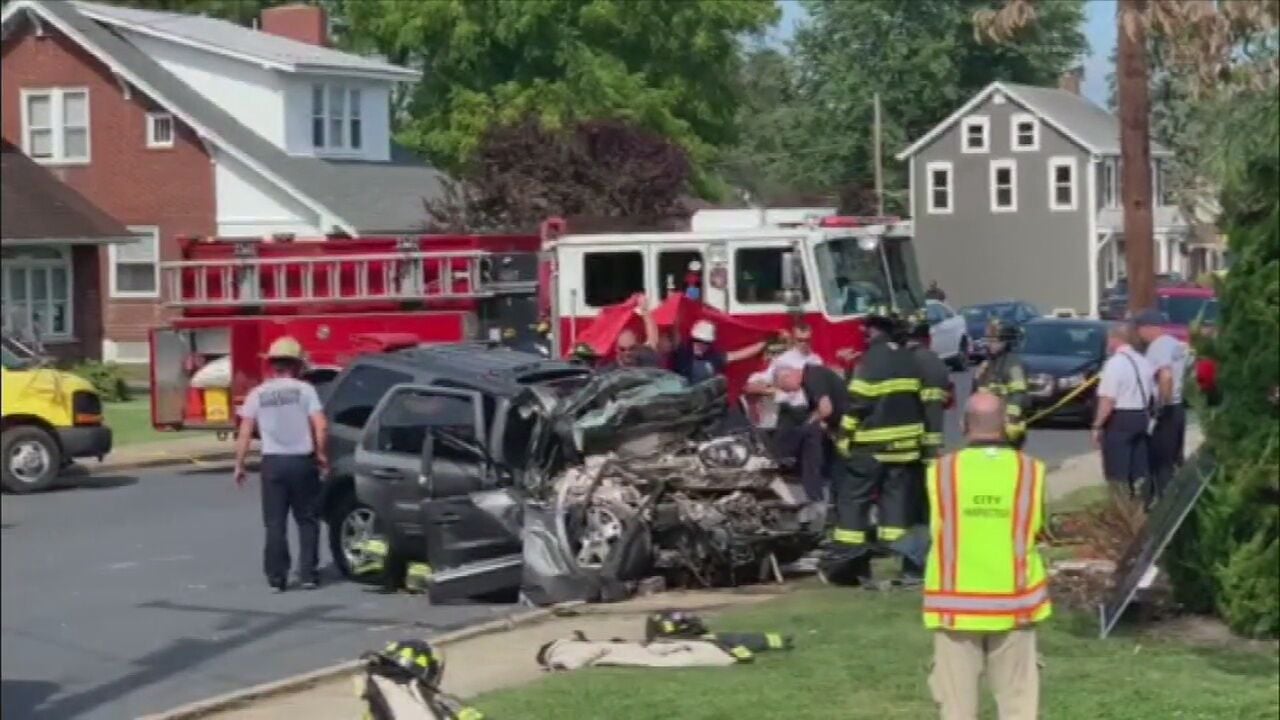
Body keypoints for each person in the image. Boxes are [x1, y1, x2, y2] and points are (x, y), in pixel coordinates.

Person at [925, 391, 1051, 720]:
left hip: (955, 606)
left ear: (964, 424)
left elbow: (936, 526)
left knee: (956, 708)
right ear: (1005, 425)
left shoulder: (940, 472)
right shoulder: (1031, 472)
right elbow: (1037, 527)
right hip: (1015, 605)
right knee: (1018, 704)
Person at [822, 307, 925, 586]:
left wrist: (844, 434)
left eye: (868, 328)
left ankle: (850, 566)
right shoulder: (910, 359)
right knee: (897, 509)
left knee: (853, 503)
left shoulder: (870, 361)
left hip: (870, 448)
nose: (864, 333)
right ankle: (908, 567)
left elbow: (859, 402)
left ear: (875, 330)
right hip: (904, 449)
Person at [233, 336, 329, 592]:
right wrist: (321, 454)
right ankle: (308, 574)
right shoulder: (305, 390)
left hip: (273, 463)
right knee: (307, 520)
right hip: (301, 461)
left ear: (272, 365)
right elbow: (321, 425)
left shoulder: (258, 394)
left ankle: (277, 577)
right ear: (297, 365)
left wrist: (239, 464)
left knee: (275, 523)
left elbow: (244, 431)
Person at [902, 312, 951, 580]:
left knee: (919, 508)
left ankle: (917, 563)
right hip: (925, 448)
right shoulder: (932, 362)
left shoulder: (913, 362)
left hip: (918, 450)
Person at [1092, 322, 1157, 500]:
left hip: (1120, 419)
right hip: (1141, 416)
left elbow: (1108, 400)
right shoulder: (1143, 362)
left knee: (1117, 470)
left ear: (1114, 340)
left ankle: (1121, 509)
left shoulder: (1114, 364)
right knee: (1138, 469)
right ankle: (1140, 504)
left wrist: (1097, 425)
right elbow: (1154, 394)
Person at [773, 356, 850, 505]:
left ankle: (783, 457)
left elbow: (826, 409)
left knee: (807, 432)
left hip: (847, 424)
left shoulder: (813, 376)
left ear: (790, 375)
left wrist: (810, 424)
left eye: (785, 387)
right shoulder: (809, 383)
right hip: (839, 427)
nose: (788, 392)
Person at [1133, 309, 1189, 504]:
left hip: (1166, 409)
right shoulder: (1177, 344)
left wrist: (1160, 407)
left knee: (1160, 462)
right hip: (1178, 407)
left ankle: (1165, 506)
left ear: (1148, 328)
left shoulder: (1157, 347)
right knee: (1173, 459)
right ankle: (1170, 499)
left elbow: (1165, 375)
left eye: (1139, 329)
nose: (1138, 333)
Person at [973, 319, 1029, 448]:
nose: (990, 344)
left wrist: (1011, 419)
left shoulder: (1014, 365)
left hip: (1007, 429)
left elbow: (1019, 395)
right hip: (986, 426)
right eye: (988, 340)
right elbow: (976, 395)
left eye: (995, 341)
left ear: (1006, 342)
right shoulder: (987, 364)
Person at [671, 319, 765, 384]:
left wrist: (765, 342)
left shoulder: (714, 358)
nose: (700, 345)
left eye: (705, 342)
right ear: (692, 339)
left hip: (707, 404)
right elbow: (675, 333)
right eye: (697, 340)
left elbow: (739, 355)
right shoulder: (683, 354)